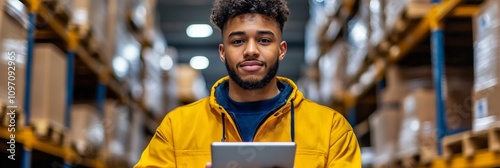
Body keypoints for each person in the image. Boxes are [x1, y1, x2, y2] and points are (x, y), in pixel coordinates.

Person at [134, 0, 361, 167]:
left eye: (264, 40)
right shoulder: (177, 128)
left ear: (281, 50)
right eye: (238, 41)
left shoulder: (332, 130)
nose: (251, 51)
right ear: (223, 52)